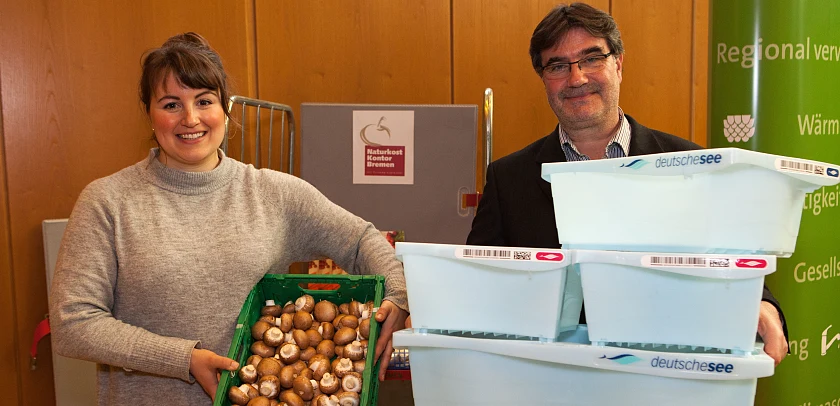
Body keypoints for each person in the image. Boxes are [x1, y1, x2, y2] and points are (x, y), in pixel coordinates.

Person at [49, 32, 409, 405]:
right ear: (149, 113)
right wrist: (183, 359)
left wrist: (398, 298)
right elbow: (73, 324)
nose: (190, 119)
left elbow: (363, 238)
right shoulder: (107, 201)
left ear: (224, 109)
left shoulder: (275, 194)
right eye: (171, 104)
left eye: (204, 101)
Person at [466, 3, 789, 365]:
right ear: (544, 78)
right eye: (558, 66)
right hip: (549, 378)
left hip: (663, 375)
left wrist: (763, 305)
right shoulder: (507, 180)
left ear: (618, 63)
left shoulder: (692, 165)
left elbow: (737, 262)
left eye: (592, 58)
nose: (577, 79)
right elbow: (479, 286)